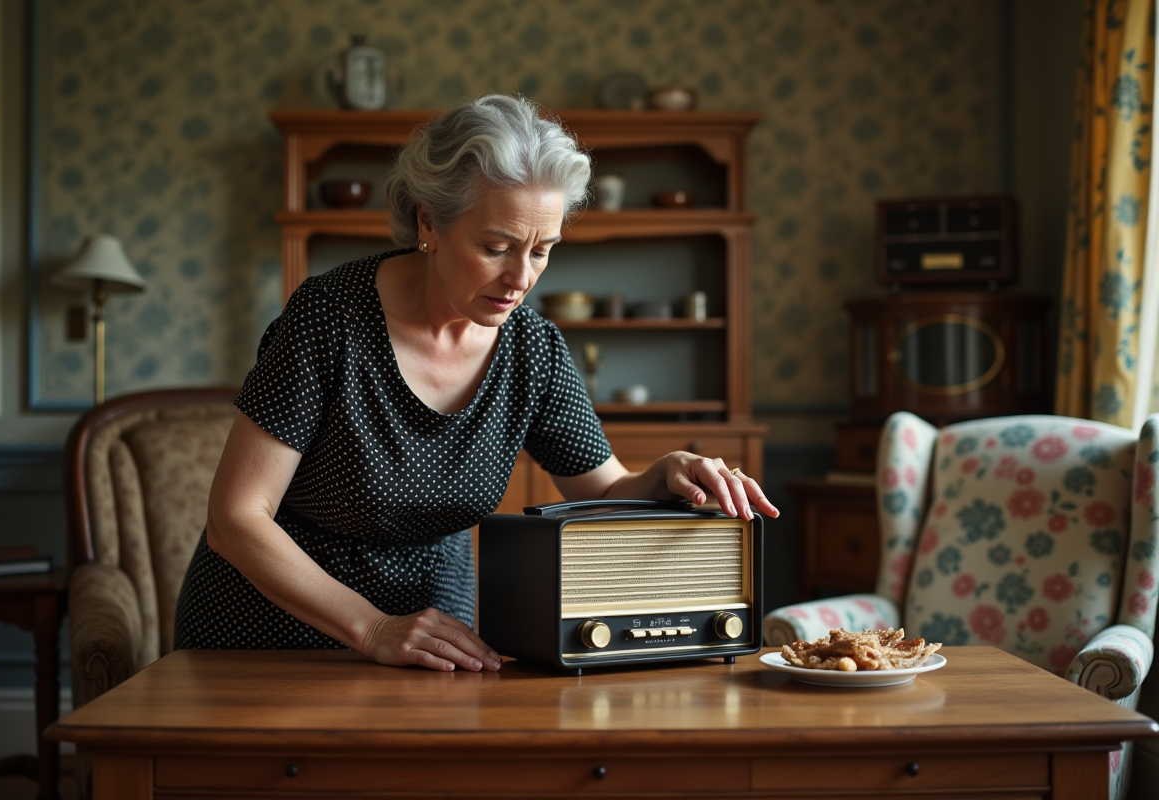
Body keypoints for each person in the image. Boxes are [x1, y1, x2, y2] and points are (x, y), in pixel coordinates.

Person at [173, 94, 778, 672]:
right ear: (428, 222)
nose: (521, 277)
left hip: (436, 634)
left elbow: (601, 490)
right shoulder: (329, 319)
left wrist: (668, 473)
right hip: (272, 635)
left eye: (543, 251)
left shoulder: (534, 350)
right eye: (496, 247)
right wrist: (374, 627)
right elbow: (238, 517)